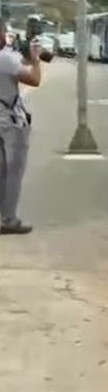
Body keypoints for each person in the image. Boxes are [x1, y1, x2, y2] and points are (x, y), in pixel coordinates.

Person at [0, 19, 42, 235]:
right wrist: (35, 60)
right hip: (9, 121)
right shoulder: (5, 59)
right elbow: (34, 80)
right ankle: (8, 219)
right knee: (13, 171)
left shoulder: (9, 57)